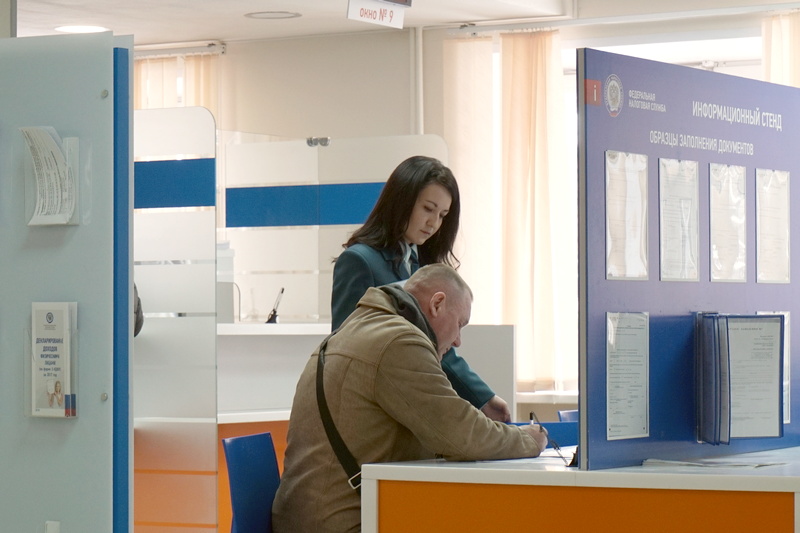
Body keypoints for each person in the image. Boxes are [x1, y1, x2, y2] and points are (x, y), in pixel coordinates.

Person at [273, 264, 547, 533]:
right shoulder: (398, 341)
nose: (458, 341)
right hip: (341, 522)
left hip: (312, 515)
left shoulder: (360, 329)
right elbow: (460, 433)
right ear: (437, 304)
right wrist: (527, 439)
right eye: (460, 324)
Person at [331, 155, 511, 422]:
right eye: (428, 209)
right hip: (373, 410)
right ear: (401, 201)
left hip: (412, 404)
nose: (434, 223)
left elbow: (439, 346)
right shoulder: (359, 261)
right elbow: (344, 351)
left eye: (442, 215)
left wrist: (483, 397)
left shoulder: (422, 266)